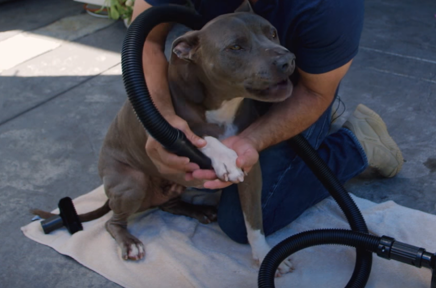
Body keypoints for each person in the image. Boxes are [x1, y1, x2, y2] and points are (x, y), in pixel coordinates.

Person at [129, 0, 404, 243]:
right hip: (228, 85)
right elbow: (144, 41)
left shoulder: (330, 6)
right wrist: (161, 121)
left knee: (240, 224)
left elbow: (315, 91)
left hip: (301, 90)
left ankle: (357, 144)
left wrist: (251, 141)